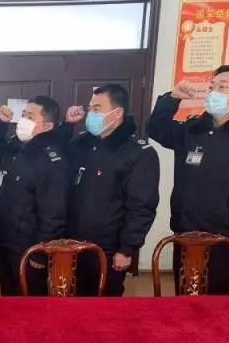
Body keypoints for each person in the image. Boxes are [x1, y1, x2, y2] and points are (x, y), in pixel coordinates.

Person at [147, 64, 229, 294]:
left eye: (222, 87)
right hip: (186, 233)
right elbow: (156, 129)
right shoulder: (194, 128)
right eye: (212, 86)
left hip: (227, 241)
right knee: (185, 297)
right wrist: (172, 98)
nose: (214, 91)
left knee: (216, 305)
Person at [63, 84, 160, 296]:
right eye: (90, 108)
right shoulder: (82, 144)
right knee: (72, 304)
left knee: (105, 307)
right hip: (72, 244)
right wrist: (67, 126)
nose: (91, 113)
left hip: (108, 249)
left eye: (97, 109)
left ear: (117, 113)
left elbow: (141, 206)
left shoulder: (139, 153)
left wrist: (127, 248)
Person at [0, 95, 69, 296]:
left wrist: (40, 254)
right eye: (23, 115)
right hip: (6, 240)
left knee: (29, 303)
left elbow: (53, 214)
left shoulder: (51, 161)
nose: (22, 120)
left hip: (29, 248)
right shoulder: (18, 148)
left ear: (47, 126)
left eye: (30, 117)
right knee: (9, 296)